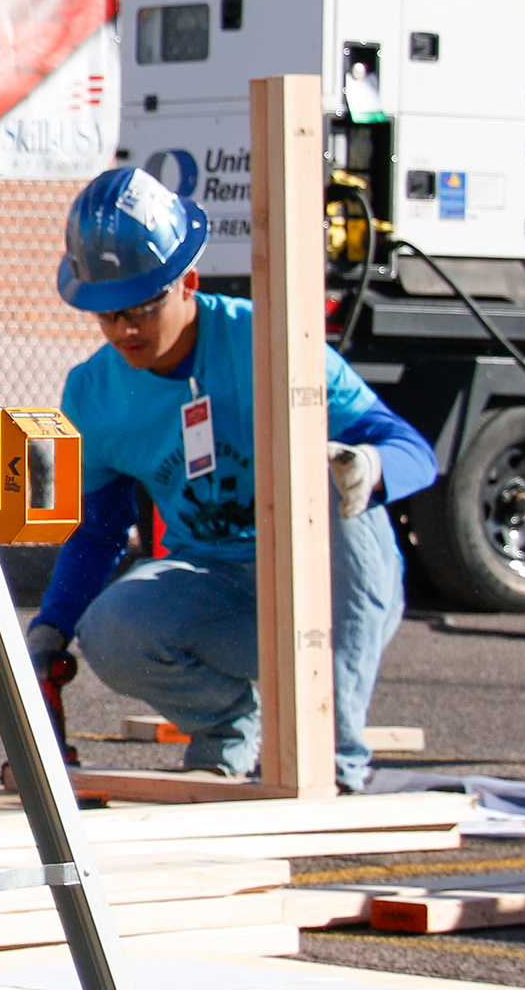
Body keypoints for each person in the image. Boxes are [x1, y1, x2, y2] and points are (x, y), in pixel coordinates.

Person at [24, 168, 436, 792]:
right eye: (108, 315)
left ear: (187, 282)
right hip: (220, 594)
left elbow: (414, 451)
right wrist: (54, 624)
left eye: (142, 308)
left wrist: (369, 469)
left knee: (331, 477)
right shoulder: (94, 393)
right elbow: (97, 530)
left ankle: (335, 760)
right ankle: (223, 731)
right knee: (111, 628)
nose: (126, 330)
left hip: (328, 593)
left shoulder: (269, 341)